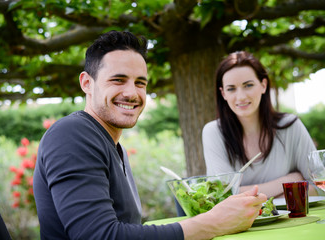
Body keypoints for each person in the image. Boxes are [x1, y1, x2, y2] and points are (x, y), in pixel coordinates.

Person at [33, 31, 266, 240]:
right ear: (87, 83)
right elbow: (100, 235)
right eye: (118, 80)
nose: (132, 93)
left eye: (140, 83)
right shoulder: (72, 134)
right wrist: (213, 223)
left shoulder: (113, 146)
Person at [202, 51, 317, 199]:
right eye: (231, 89)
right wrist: (287, 181)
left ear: (263, 85)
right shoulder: (213, 132)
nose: (241, 96)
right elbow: (221, 196)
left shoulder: (291, 126)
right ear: (223, 93)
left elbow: (318, 185)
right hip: (240, 223)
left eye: (248, 85)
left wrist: (254, 197)